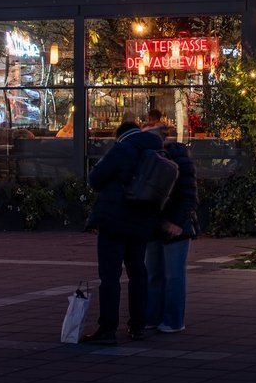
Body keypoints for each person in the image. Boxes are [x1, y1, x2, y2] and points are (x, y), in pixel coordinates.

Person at [83, 119, 164, 344]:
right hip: (141, 220)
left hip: (114, 220)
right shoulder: (156, 150)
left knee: (110, 276)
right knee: (138, 272)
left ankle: (108, 328)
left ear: (120, 135)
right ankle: (137, 325)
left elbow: (95, 180)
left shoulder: (122, 149)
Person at [144, 124, 199, 335]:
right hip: (163, 223)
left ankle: (171, 319)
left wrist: (176, 221)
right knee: (159, 273)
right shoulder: (164, 159)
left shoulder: (175, 160)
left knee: (168, 275)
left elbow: (188, 195)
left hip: (173, 225)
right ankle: (159, 317)